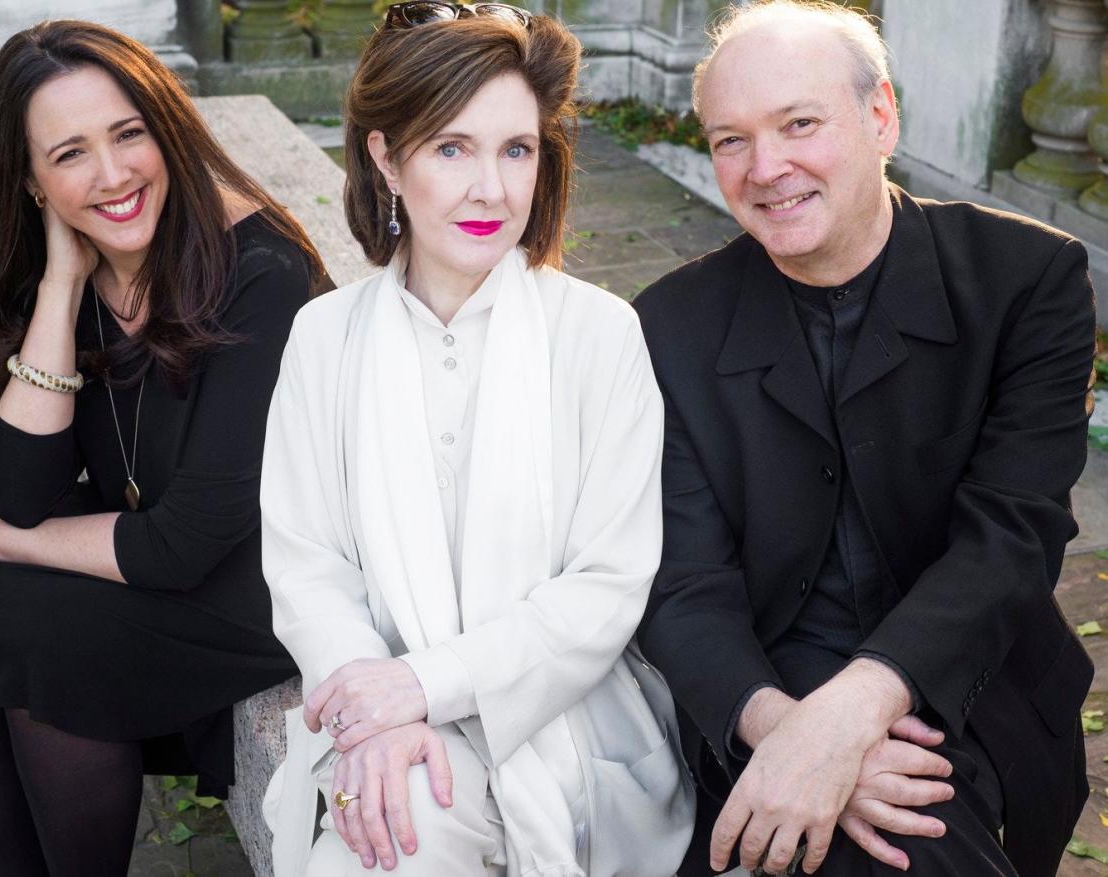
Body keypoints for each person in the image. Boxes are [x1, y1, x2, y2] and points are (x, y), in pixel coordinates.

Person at [634, 2, 1099, 875]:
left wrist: (849, 717)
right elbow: (683, 581)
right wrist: (790, 733)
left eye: (799, 123)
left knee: (892, 841)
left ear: (880, 114)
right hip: (758, 685)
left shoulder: (1029, 282)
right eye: (729, 139)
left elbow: (1012, 537)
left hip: (963, 680)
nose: (766, 169)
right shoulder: (666, 324)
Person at [0, 20, 324, 876]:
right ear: (33, 183)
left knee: (45, 651)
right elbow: (19, 487)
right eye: (70, 154)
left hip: (255, 593)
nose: (112, 176)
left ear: (167, 129)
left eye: (128, 134)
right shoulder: (68, 274)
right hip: (152, 561)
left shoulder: (262, 274)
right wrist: (63, 282)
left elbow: (189, 539)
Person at [258, 4, 694, 875]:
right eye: (451, 148)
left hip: (560, 718)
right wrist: (376, 705)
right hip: (376, 700)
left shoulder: (600, 335)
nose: (491, 188)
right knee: (384, 836)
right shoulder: (323, 336)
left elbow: (606, 586)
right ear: (386, 156)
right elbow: (306, 563)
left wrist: (423, 685)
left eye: (516, 150)